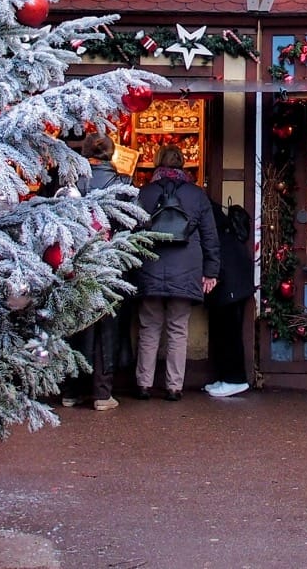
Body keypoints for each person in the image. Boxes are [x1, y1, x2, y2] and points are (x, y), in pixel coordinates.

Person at [133, 146, 219, 401]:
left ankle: (143, 384)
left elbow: (132, 233)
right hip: (187, 269)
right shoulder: (197, 195)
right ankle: (174, 386)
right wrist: (211, 271)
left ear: (156, 163)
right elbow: (209, 236)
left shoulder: (144, 193)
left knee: (148, 328)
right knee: (178, 329)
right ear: (183, 164)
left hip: (149, 267)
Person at [62, 134, 127, 411]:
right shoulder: (123, 184)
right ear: (112, 154)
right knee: (107, 328)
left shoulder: (72, 184)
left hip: (77, 264)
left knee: (75, 325)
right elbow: (131, 223)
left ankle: (70, 390)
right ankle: (102, 394)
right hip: (111, 263)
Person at [204, 200, 255, 399]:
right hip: (234, 282)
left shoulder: (213, 229)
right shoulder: (224, 227)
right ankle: (226, 377)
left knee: (228, 332)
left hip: (228, 283)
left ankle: (235, 379)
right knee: (225, 331)